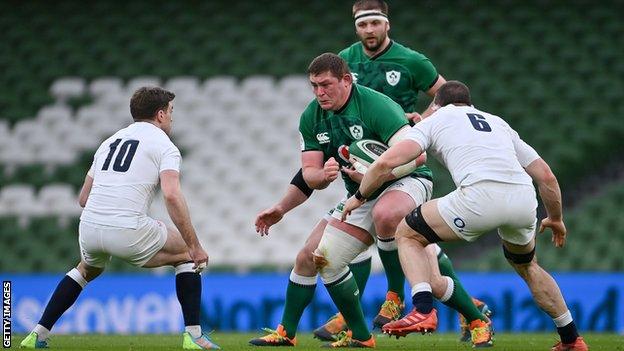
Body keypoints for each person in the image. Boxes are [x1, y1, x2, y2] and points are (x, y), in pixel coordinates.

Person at [253, 0, 491, 345]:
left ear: (346, 80)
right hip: (361, 192)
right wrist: (301, 192)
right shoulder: (312, 116)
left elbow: (418, 156)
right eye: (314, 86)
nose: (319, 93)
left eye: (326, 86)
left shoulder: (379, 102)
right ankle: (333, 335)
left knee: (388, 217)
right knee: (314, 256)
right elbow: (309, 174)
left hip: (407, 180)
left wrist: (388, 160)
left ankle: (397, 298)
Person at [341, 81, 589, 351]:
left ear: (436, 105)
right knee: (529, 266)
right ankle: (571, 338)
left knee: (407, 232)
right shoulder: (498, 123)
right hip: (522, 199)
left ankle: (423, 308)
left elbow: (386, 162)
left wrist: (359, 196)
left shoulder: (436, 120)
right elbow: (547, 177)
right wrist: (555, 218)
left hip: (479, 197)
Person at [19, 87, 220, 350]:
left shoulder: (109, 142)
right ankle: (194, 336)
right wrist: (194, 245)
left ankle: (37, 334)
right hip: (127, 230)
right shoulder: (164, 145)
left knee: (85, 270)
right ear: (160, 115)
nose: (172, 118)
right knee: (185, 254)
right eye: (171, 112)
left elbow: (82, 199)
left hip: (89, 228)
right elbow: (171, 195)